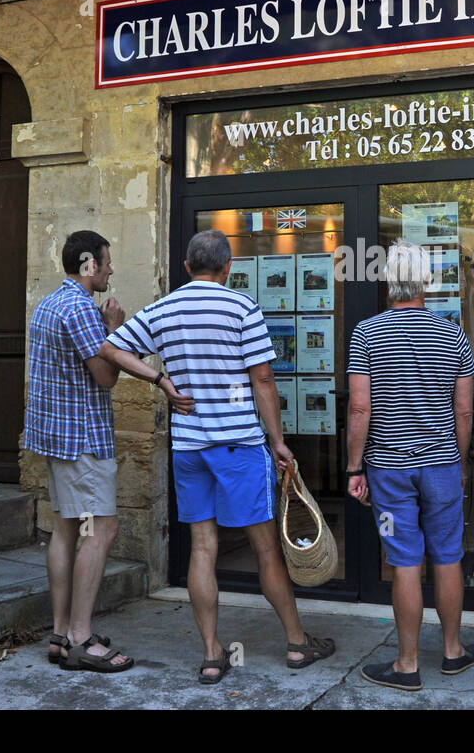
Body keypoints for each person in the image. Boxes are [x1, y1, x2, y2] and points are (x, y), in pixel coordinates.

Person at [101, 229, 335, 683]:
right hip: (239, 445)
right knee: (265, 547)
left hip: (190, 446)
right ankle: (296, 644)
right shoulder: (242, 307)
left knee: (202, 548)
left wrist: (160, 381)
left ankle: (211, 655)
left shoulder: (164, 308)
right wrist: (279, 441)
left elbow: (111, 348)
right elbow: (263, 380)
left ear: (188, 267)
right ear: (228, 268)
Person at [346, 240, 474, 691]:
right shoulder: (454, 335)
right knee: (448, 556)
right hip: (442, 464)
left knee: (404, 561)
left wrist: (354, 467)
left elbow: (359, 411)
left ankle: (406, 664)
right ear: (427, 280)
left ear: (389, 280)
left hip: (387, 467)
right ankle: (452, 651)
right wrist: (458, 462)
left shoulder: (366, 333)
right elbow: (464, 412)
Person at [24, 230, 134, 673]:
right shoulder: (81, 309)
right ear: (89, 264)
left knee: (65, 530)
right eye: (106, 262)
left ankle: (60, 633)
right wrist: (114, 328)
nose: (110, 269)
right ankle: (82, 637)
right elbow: (107, 377)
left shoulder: (48, 304)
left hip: (56, 439)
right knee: (102, 530)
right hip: (84, 440)